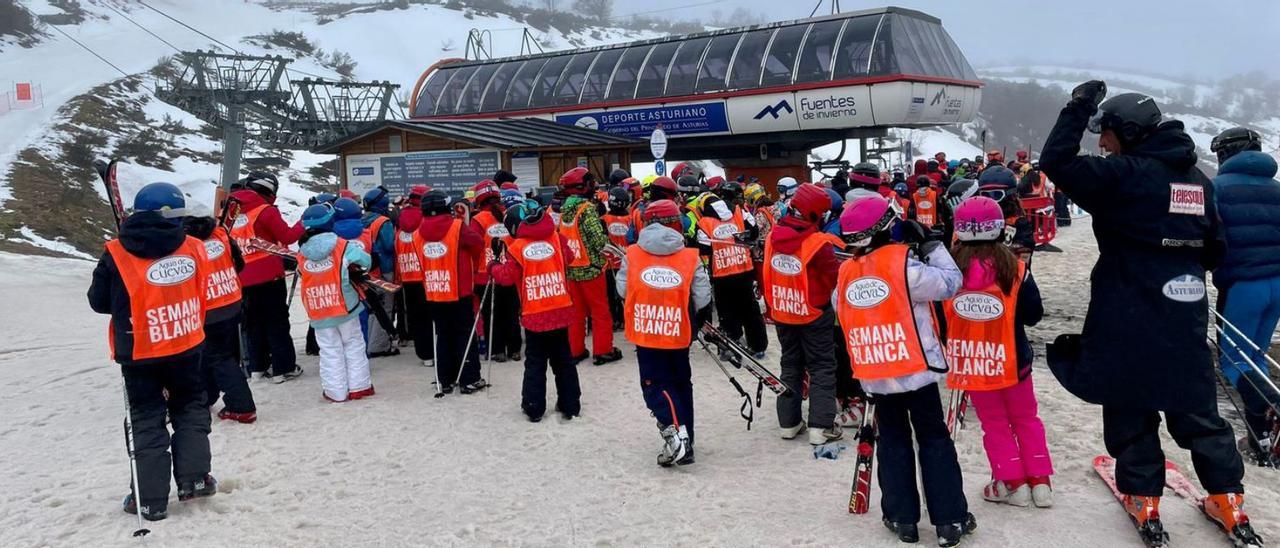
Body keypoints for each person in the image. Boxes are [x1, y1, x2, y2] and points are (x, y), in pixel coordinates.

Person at [1040, 81, 1258, 545]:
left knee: (1130, 398)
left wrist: (1078, 108)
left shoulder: (1123, 174)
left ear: (1131, 132)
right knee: (1195, 403)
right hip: (1183, 307)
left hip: (1125, 305)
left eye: (1108, 133)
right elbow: (1215, 246)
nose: (1102, 142)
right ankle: (1228, 497)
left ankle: (1145, 495)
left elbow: (1056, 163)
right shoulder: (1197, 179)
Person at [833, 195, 973, 547]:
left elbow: (842, 308)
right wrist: (931, 244)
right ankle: (949, 519)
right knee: (934, 441)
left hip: (876, 373)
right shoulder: (905, 265)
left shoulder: (846, 271)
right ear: (885, 228)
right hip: (915, 369)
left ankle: (901, 517)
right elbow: (950, 283)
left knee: (893, 443)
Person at [88, 182, 216, 521]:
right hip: (186, 341)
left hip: (140, 348)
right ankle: (195, 480)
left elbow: (98, 302)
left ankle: (150, 499)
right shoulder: (192, 246)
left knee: (146, 419)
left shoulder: (116, 251)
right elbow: (202, 288)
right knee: (190, 409)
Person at [947, 197, 1052, 508]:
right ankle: (1040, 480)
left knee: (994, 423)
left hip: (974, 360)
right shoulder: (1015, 268)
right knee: (1026, 417)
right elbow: (1034, 314)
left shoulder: (951, 270)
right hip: (1013, 359)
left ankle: (1012, 480)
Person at [618, 199, 713, 466]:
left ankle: (676, 436)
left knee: (654, 386)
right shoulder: (689, 255)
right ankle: (687, 439)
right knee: (681, 384)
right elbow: (703, 295)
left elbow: (622, 289)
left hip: (647, 331)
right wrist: (697, 317)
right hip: (679, 330)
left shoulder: (633, 253)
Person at [1210, 127, 1280, 465]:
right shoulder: (1278, 189)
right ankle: (1260, 440)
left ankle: (1272, 409)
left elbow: (1210, 234)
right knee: (1257, 356)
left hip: (1242, 284)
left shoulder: (1218, 188)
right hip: (1277, 283)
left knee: (1233, 359)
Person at [762, 183, 845, 445]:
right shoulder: (817, 243)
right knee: (821, 367)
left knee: (791, 365)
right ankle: (820, 426)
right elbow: (835, 277)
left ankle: (788, 422)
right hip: (813, 312)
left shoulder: (772, 237)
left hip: (783, 311)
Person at [491, 201, 581, 422]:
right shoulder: (557, 239)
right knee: (563, 360)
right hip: (560, 308)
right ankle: (570, 405)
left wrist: (492, 265)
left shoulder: (517, 248)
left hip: (535, 313)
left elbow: (505, 277)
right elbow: (569, 258)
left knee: (535, 362)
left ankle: (534, 407)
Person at [228, 171, 303, 382]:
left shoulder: (230, 210)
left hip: (242, 276)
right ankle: (283, 368)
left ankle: (257, 367)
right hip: (269, 275)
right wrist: (305, 222)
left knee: (253, 323)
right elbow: (287, 236)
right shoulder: (265, 210)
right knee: (276, 322)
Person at [297, 203, 375, 403]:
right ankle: (359, 386)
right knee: (353, 344)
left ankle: (335, 392)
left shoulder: (302, 251)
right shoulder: (342, 245)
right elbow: (366, 261)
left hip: (318, 308)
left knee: (329, 350)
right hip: (344, 304)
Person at [184, 210, 256, 423]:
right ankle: (208, 395)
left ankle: (242, 406)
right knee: (219, 355)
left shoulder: (183, 245)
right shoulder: (220, 233)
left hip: (206, 307)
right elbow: (239, 263)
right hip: (230, 300)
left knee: (216, 358)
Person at [418, 190, 488, 395]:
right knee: (464, 334)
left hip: (434, 290)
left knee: (443, 334)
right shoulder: (457, 227)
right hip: (459, 289)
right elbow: (478, 243)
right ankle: (469, 378)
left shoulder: (419, 230)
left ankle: (445, 379)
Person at [558, 167, 623, 365]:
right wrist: (614, 249)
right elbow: (597, 241)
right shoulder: (586, 210)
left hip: (572, 269)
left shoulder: (563, 211)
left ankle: (575, 350)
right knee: (600, 311)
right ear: (582, 186)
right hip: (591, 269)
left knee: (576, 313)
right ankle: (603, 350)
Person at [697, 185, 767, 359]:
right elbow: (754, 231)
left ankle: (732, 344)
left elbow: (703, 248)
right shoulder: (738, 212)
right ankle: (758, 346)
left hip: (722, 274)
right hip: (744, 268)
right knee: (750, 309)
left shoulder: (704, 221)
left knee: (727, 311)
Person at [469, 180, 514, 361]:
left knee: (490, 315)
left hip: (485, 273)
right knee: (510, 312)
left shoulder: (478, 219)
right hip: (508, 269)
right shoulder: (508, 214)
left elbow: (474, 247)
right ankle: (514, 348)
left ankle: (497, 350)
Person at [394, 185, 435, 367]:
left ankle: (424, 354)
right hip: (425, 275)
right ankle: (435, 351)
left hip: (406, 275)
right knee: (431, 316)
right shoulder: (426, 222)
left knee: (416, 318)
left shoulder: (400, 222)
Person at [361, 186, 399, 357]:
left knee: (372, 307)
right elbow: (390, 245)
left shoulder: (362, 220)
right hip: (385, 269)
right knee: (385, 308)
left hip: (369, 270)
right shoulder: (383, 222)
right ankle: (379, 345)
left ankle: (371, 341)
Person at [602, 186, 633, 331]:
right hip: (626, 262)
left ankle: (614, 319)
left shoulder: (603, 219)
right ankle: (624, 318)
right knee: (625, 292)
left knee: (610, 294)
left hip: (609, 263)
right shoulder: (630, 219)